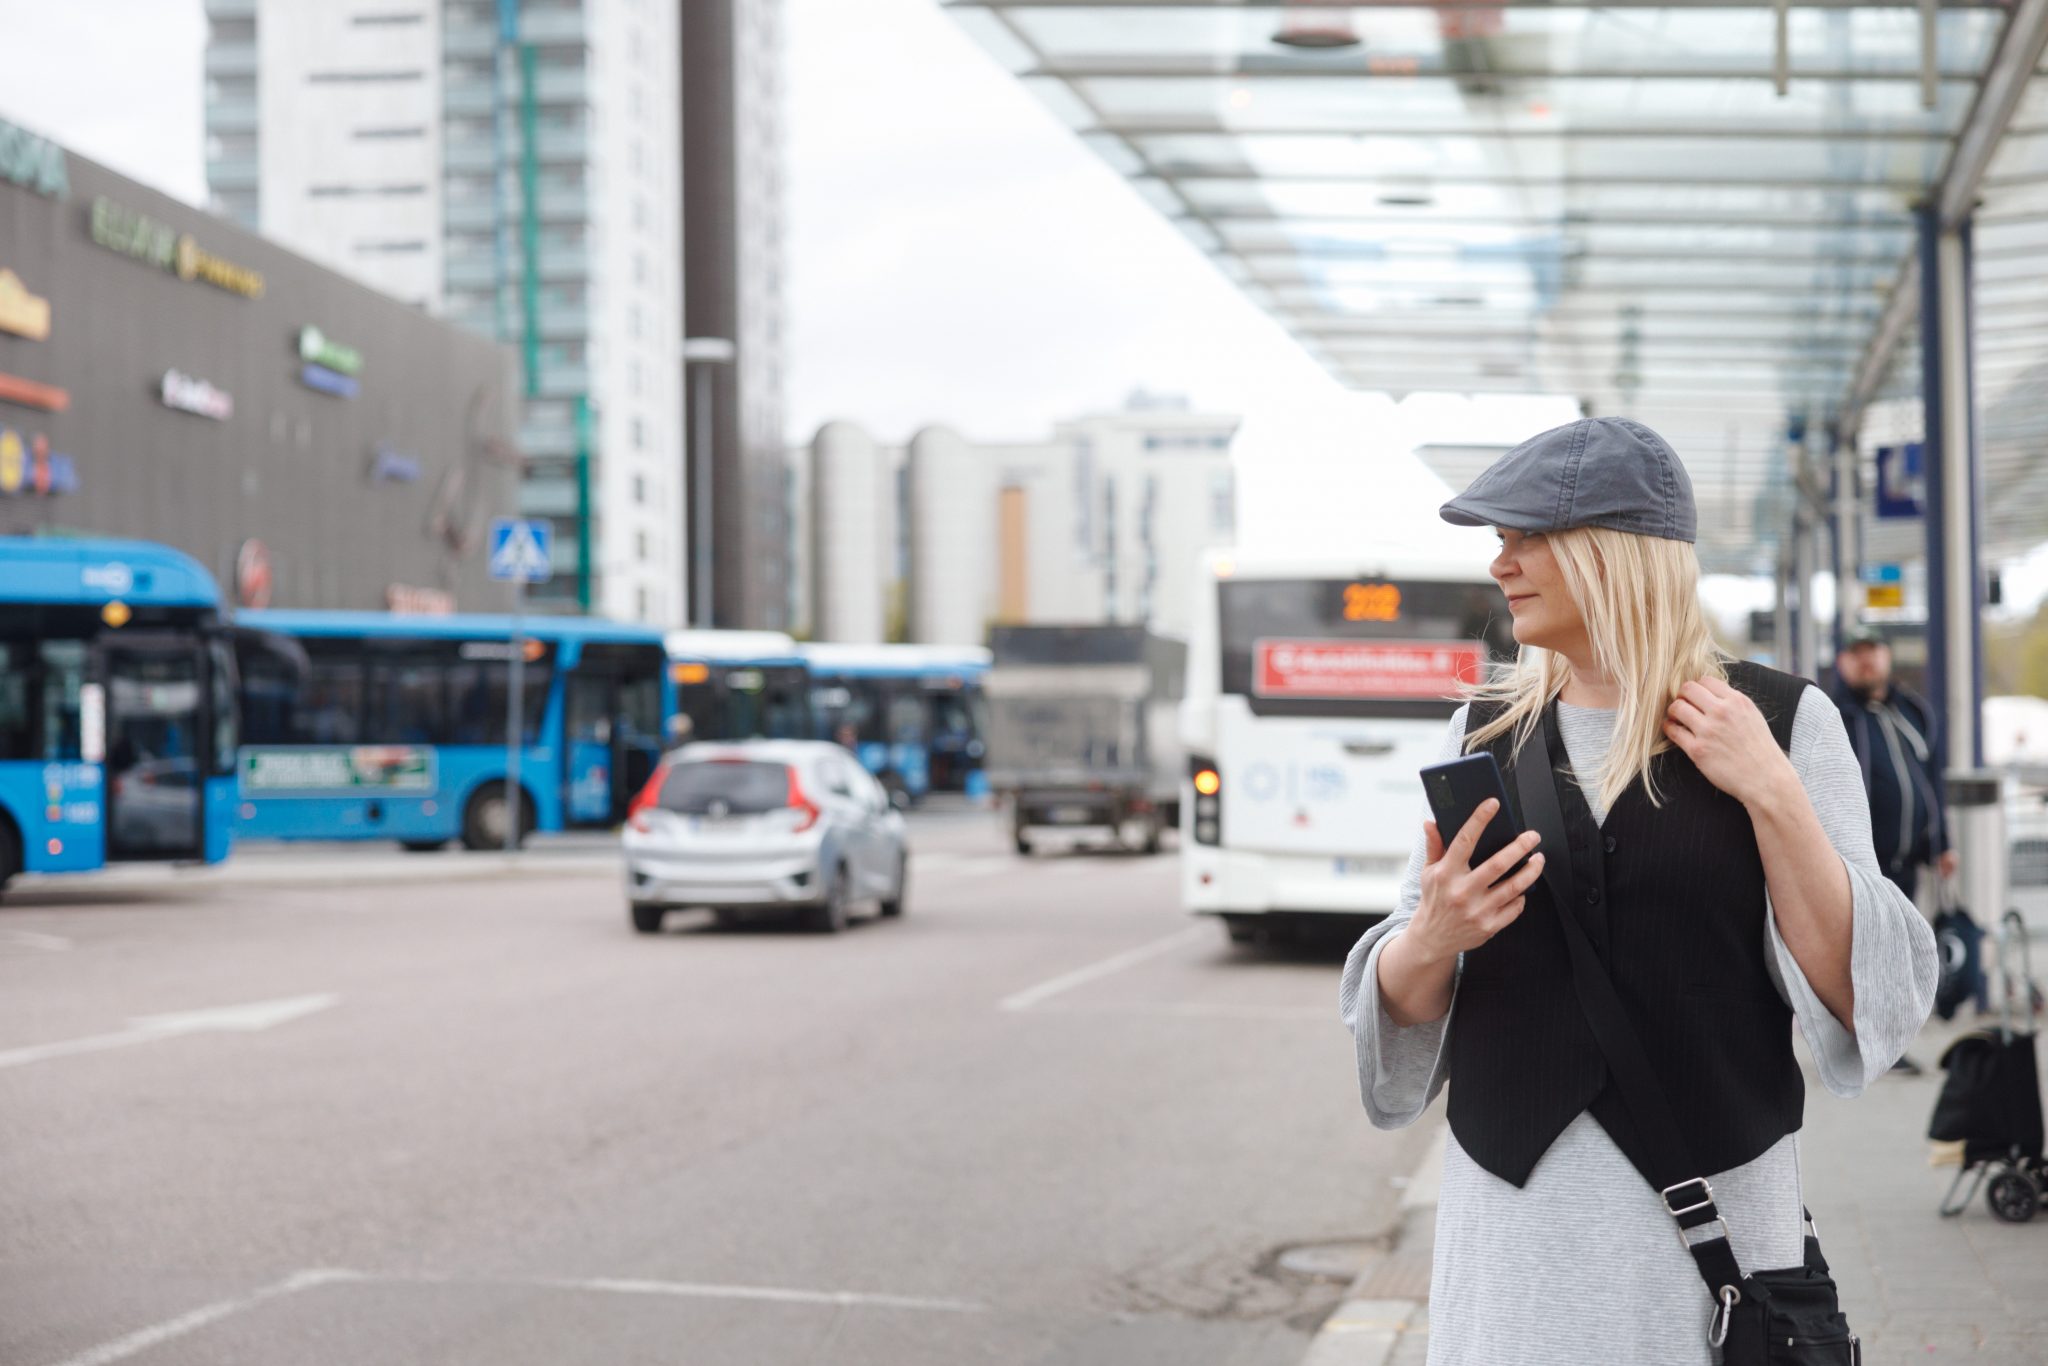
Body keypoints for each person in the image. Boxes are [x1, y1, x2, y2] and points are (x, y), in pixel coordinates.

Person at [1338, 417, 1938, 1365]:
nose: (1502, 563)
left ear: (1615, 551)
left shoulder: (1786, 720)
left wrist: (1773, 791)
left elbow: (1866, 993)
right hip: (1515, 1251)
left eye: (1527, 535)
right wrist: (1434, 936)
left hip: (1714, 1255)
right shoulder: (1479, 730)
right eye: (1500, 539)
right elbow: (1396, 1012)